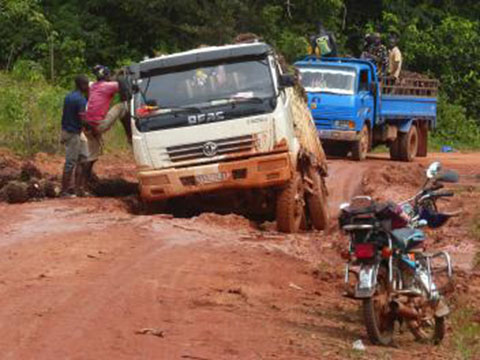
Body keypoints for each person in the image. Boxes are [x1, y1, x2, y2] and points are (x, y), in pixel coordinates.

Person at [82, 65, 128, 184]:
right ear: (107, 76)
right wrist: (119, 76)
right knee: (123, 106)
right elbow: (123, 83)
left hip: (87, 125)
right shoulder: (109, 86)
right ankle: (83, 180)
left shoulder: (92, 86)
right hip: (98, 125)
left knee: (92, 154)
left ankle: (84, 179)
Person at [60, 75, 89, 197]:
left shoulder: (69, 97)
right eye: (86, 84)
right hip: (73, 133)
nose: (88, 87)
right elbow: (82, 119)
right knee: (71, 162)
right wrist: (92, 127)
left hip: (70, 131)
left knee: (84, 158)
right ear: (82, 85)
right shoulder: (81, 100)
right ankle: (64, 191)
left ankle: (78, 190)